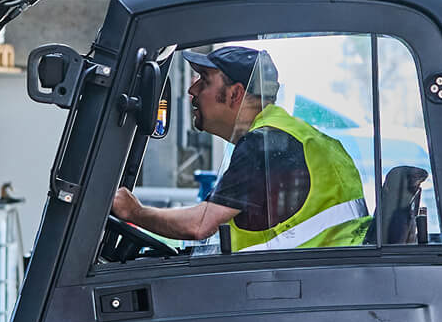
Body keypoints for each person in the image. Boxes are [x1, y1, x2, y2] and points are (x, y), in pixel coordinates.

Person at [111, 45, 370, 253]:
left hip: (307, 286)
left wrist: (135, 212)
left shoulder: (265, 144)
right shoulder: (294, 137)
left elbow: (200, 225)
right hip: (324, 277)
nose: (192, 90)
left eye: (205, 81)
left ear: (235, 93)